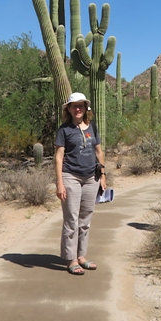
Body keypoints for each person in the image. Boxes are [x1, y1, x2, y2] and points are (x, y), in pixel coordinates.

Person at [55, 92, 107, 275]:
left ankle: (82, 256)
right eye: (74, 105)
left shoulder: (92, 126)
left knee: (85, 219)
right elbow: (59, 157)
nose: (78, 108)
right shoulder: (64, 129)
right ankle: (71, 259)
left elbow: (98, 151)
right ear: (68, 109)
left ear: (86, 108)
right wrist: (59, 183)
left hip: (91, 177)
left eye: (81, 105)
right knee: (71, 219)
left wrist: (103, 175)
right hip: (71, 177)